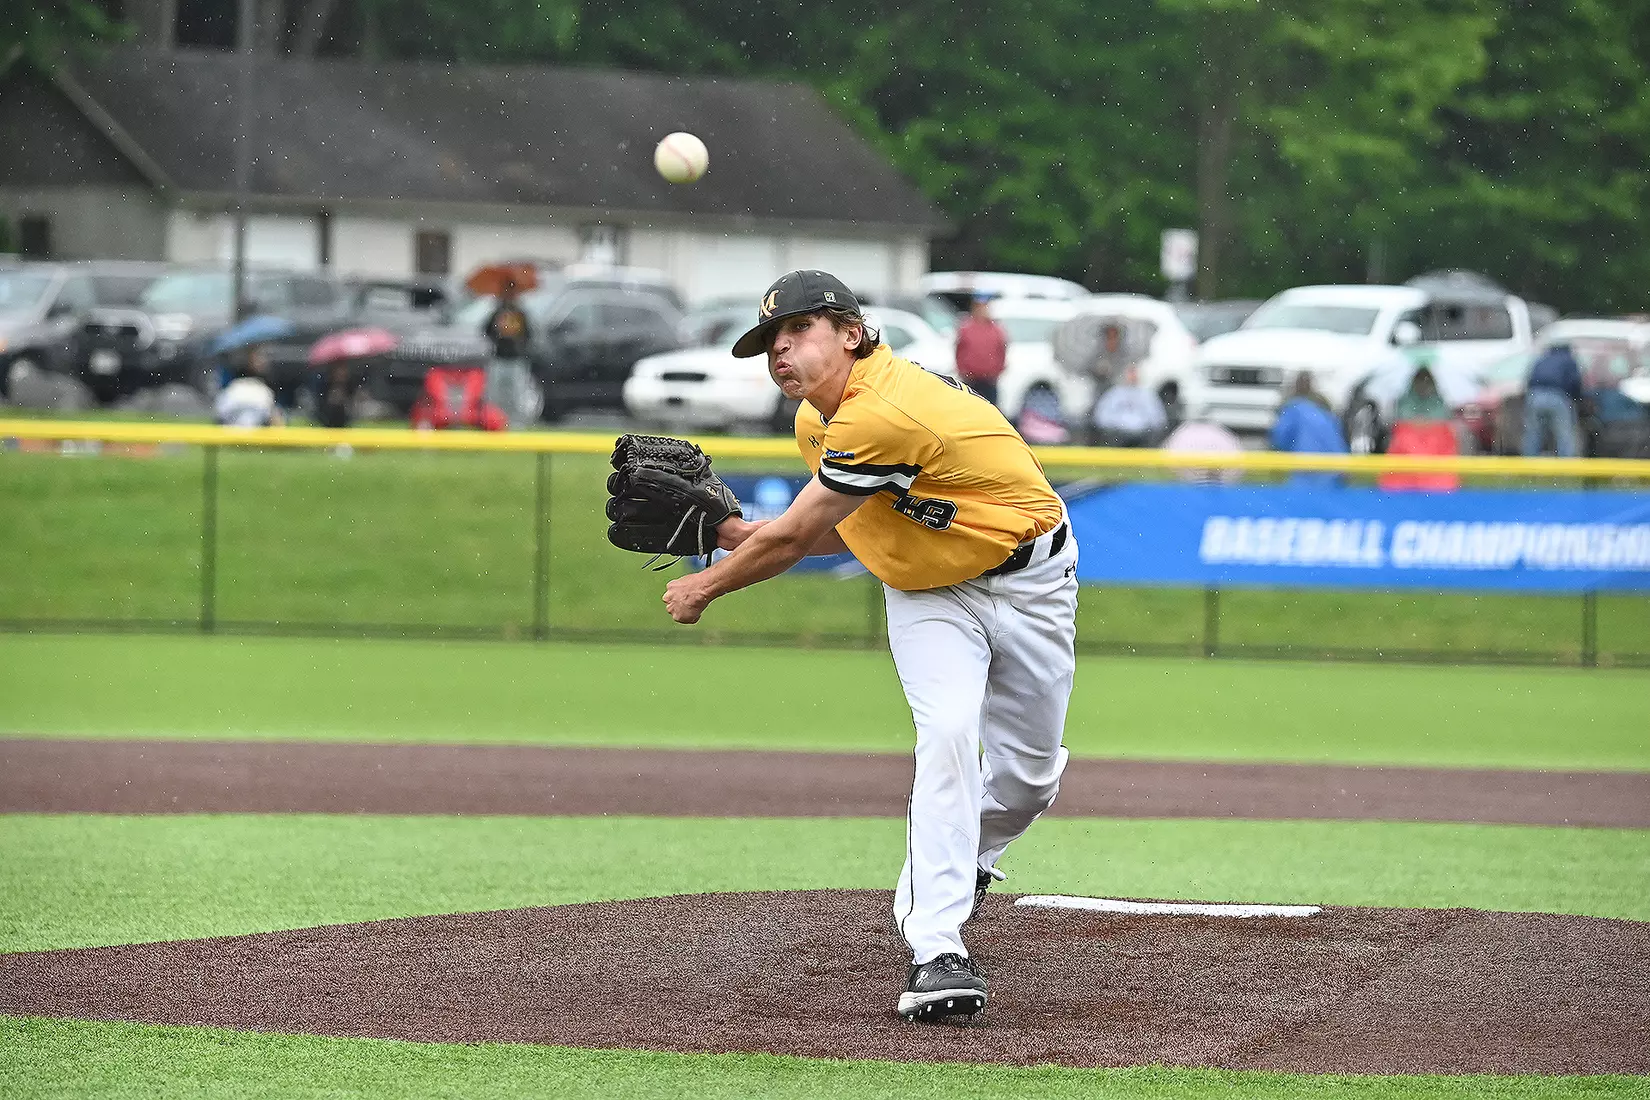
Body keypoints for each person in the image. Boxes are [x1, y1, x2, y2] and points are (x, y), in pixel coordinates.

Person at [663, 270, 1076, 1023]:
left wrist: (707, 583)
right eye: (768, 344)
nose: (779, 352)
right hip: (927, 594)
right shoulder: (817, 422)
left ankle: (967, 858)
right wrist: (735, 534)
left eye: (797, 334)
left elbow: (794, 534)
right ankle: (937, 948)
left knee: (1031, 780)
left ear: (851, 333)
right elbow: (834, 532)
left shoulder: (881, 409)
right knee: (948, 734)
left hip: (1032, 582)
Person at [1269, 372, 1347, 486]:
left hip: (1306, 467)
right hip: (1333, 466)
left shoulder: (1293, 409)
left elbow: (1279, 437)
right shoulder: (1323, 409)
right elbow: (1337, 439)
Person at [484, 283, 535, 429]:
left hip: (516, 359)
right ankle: (495, 421)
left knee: (516, 394)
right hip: (499, 358)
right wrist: (497, 331)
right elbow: (486, 331)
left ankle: (516, 423)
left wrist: (518, 342)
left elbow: (529, 334)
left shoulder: (520, 314)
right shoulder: (497, 313)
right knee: (495, 394)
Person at [1522, 344, 1583, 458]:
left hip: (1535, 396)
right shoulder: (1568, 360)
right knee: (1564, 434)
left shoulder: (1541, 359)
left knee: (1533, 433)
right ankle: (1567, 466)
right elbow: (1575, 382)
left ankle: (1528, 464)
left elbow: (1529, 380)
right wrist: (1577, 398)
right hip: (1557, 396)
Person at [952, 292, 1008, 406]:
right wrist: (962, 369)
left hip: (989, 380)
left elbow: (1002, 350)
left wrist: (998, 370)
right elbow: (959, 349)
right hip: (970, 379)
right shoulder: (966, 328)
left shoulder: (996, 330)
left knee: (990, 410)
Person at [1090, 365, 1167, 447]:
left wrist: (1144, 427)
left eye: (1134, 373)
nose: (1132, 376)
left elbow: (1159, 419)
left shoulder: (1148, 395)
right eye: (1130, 373)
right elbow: (1101, 417)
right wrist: (1117, 425)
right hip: (1117, 436)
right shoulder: (1114, 393)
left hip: (1143, 438)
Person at [213, 345, 284, 428]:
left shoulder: (233, 388)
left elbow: (219, 417)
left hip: (232, 436)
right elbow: (276, 422)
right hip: (254, 437)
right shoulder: (263, 391)